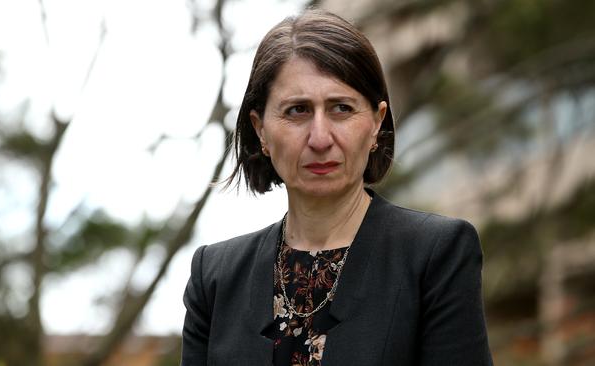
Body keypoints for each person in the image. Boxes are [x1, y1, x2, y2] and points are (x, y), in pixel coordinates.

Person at [181, 9, 493, 366]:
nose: (320, 137)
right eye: (297, 110)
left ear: (376, 123)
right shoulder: (216, 277)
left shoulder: (435, 255)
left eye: (341, 108)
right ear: (261, 130)